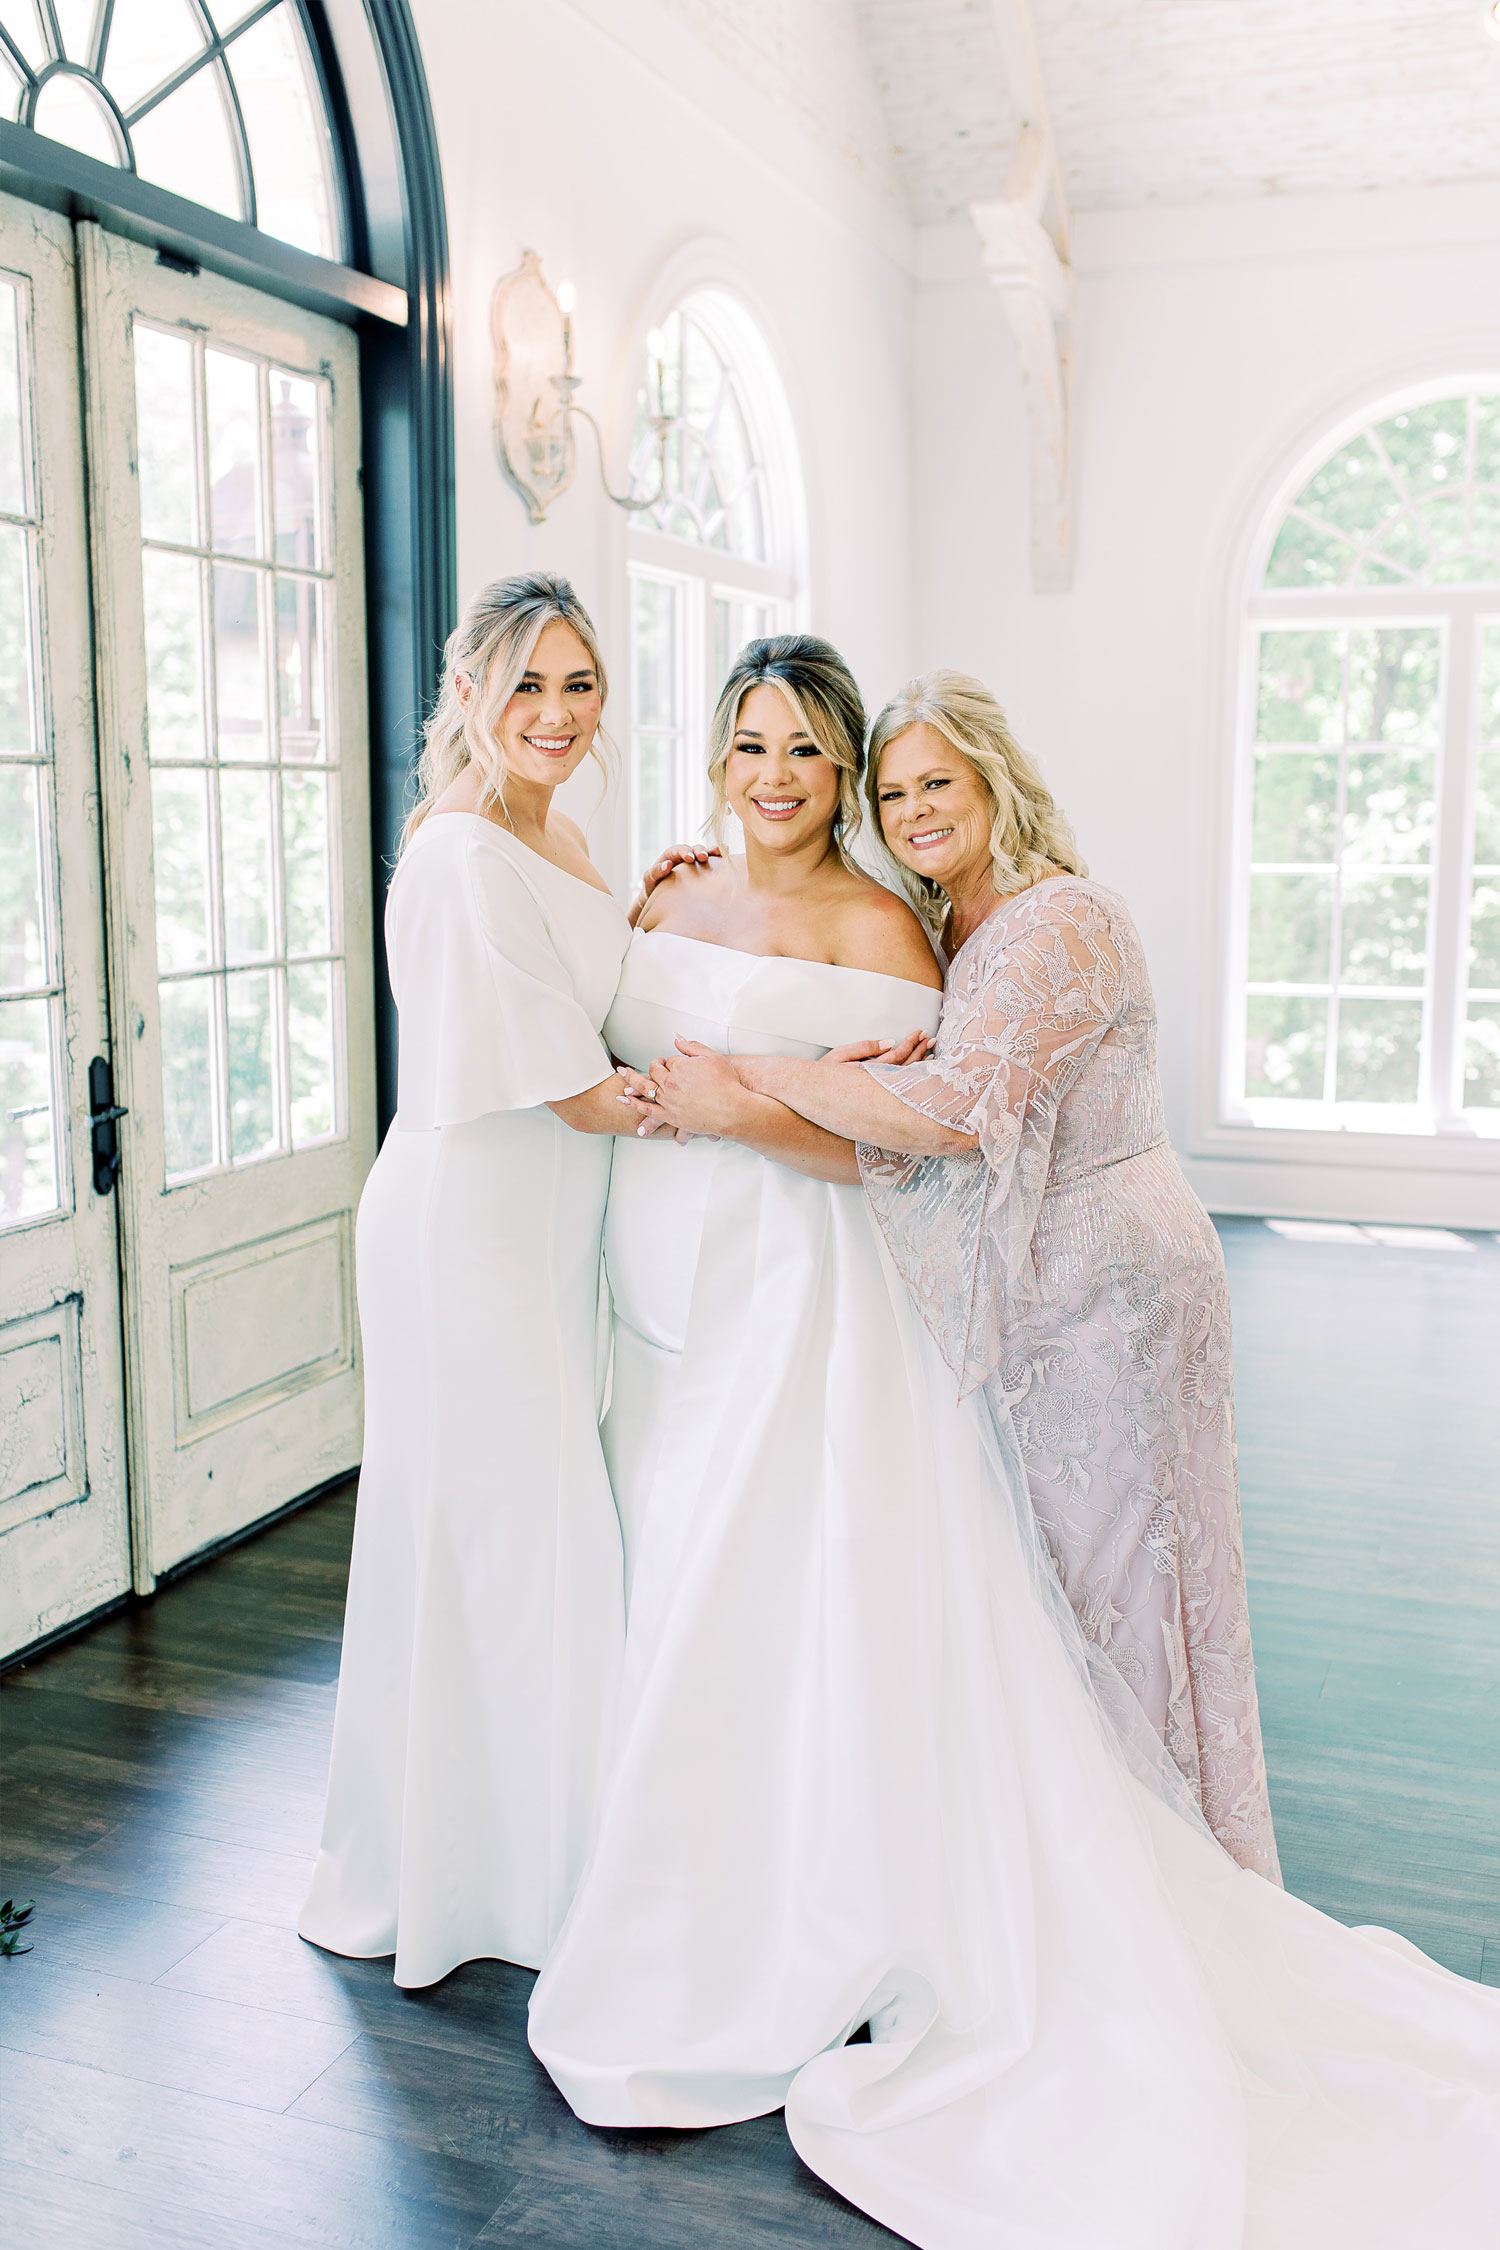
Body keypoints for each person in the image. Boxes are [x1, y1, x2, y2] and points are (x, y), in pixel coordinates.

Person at [530, 644, 1500, 2249]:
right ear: (718, 756)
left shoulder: (936, 927)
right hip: (672, 1297)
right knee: (744, 1581)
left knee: (1023, 1588)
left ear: (920, 786)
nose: (790, 775)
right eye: (755, 743)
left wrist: (745, 1094)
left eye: (842, 761)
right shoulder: (685, 895)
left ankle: (1120, 1878)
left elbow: (912, 1129)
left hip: (964, 1290)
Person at [735, 670, 1277, 1876]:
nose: (917, 808)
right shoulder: (949, 922)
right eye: (892, 791)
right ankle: (1090, 1857)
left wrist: (757, 1075)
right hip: (1043, 1291)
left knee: (1132, 1582)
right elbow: (927, 1054)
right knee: (1066, 1584)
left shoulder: (1061, 917)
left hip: (1118, 1288)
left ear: (994, 781)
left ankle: (1171, 1866)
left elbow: (956, 1110)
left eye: (940, 782)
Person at [299, 572, 684, 1989]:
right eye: (527, 682)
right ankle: (491, 1876)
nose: (558, 712)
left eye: (579, 682)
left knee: (524, 1523)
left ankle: (526, 1848)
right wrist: (754, 1087)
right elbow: (577, 1086)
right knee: (508, 1526)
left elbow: (580, 980)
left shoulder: (558, 833)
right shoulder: (462, 851)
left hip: (532, 1229)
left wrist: (648, 912)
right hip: (466, 1228)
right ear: (466, 693)